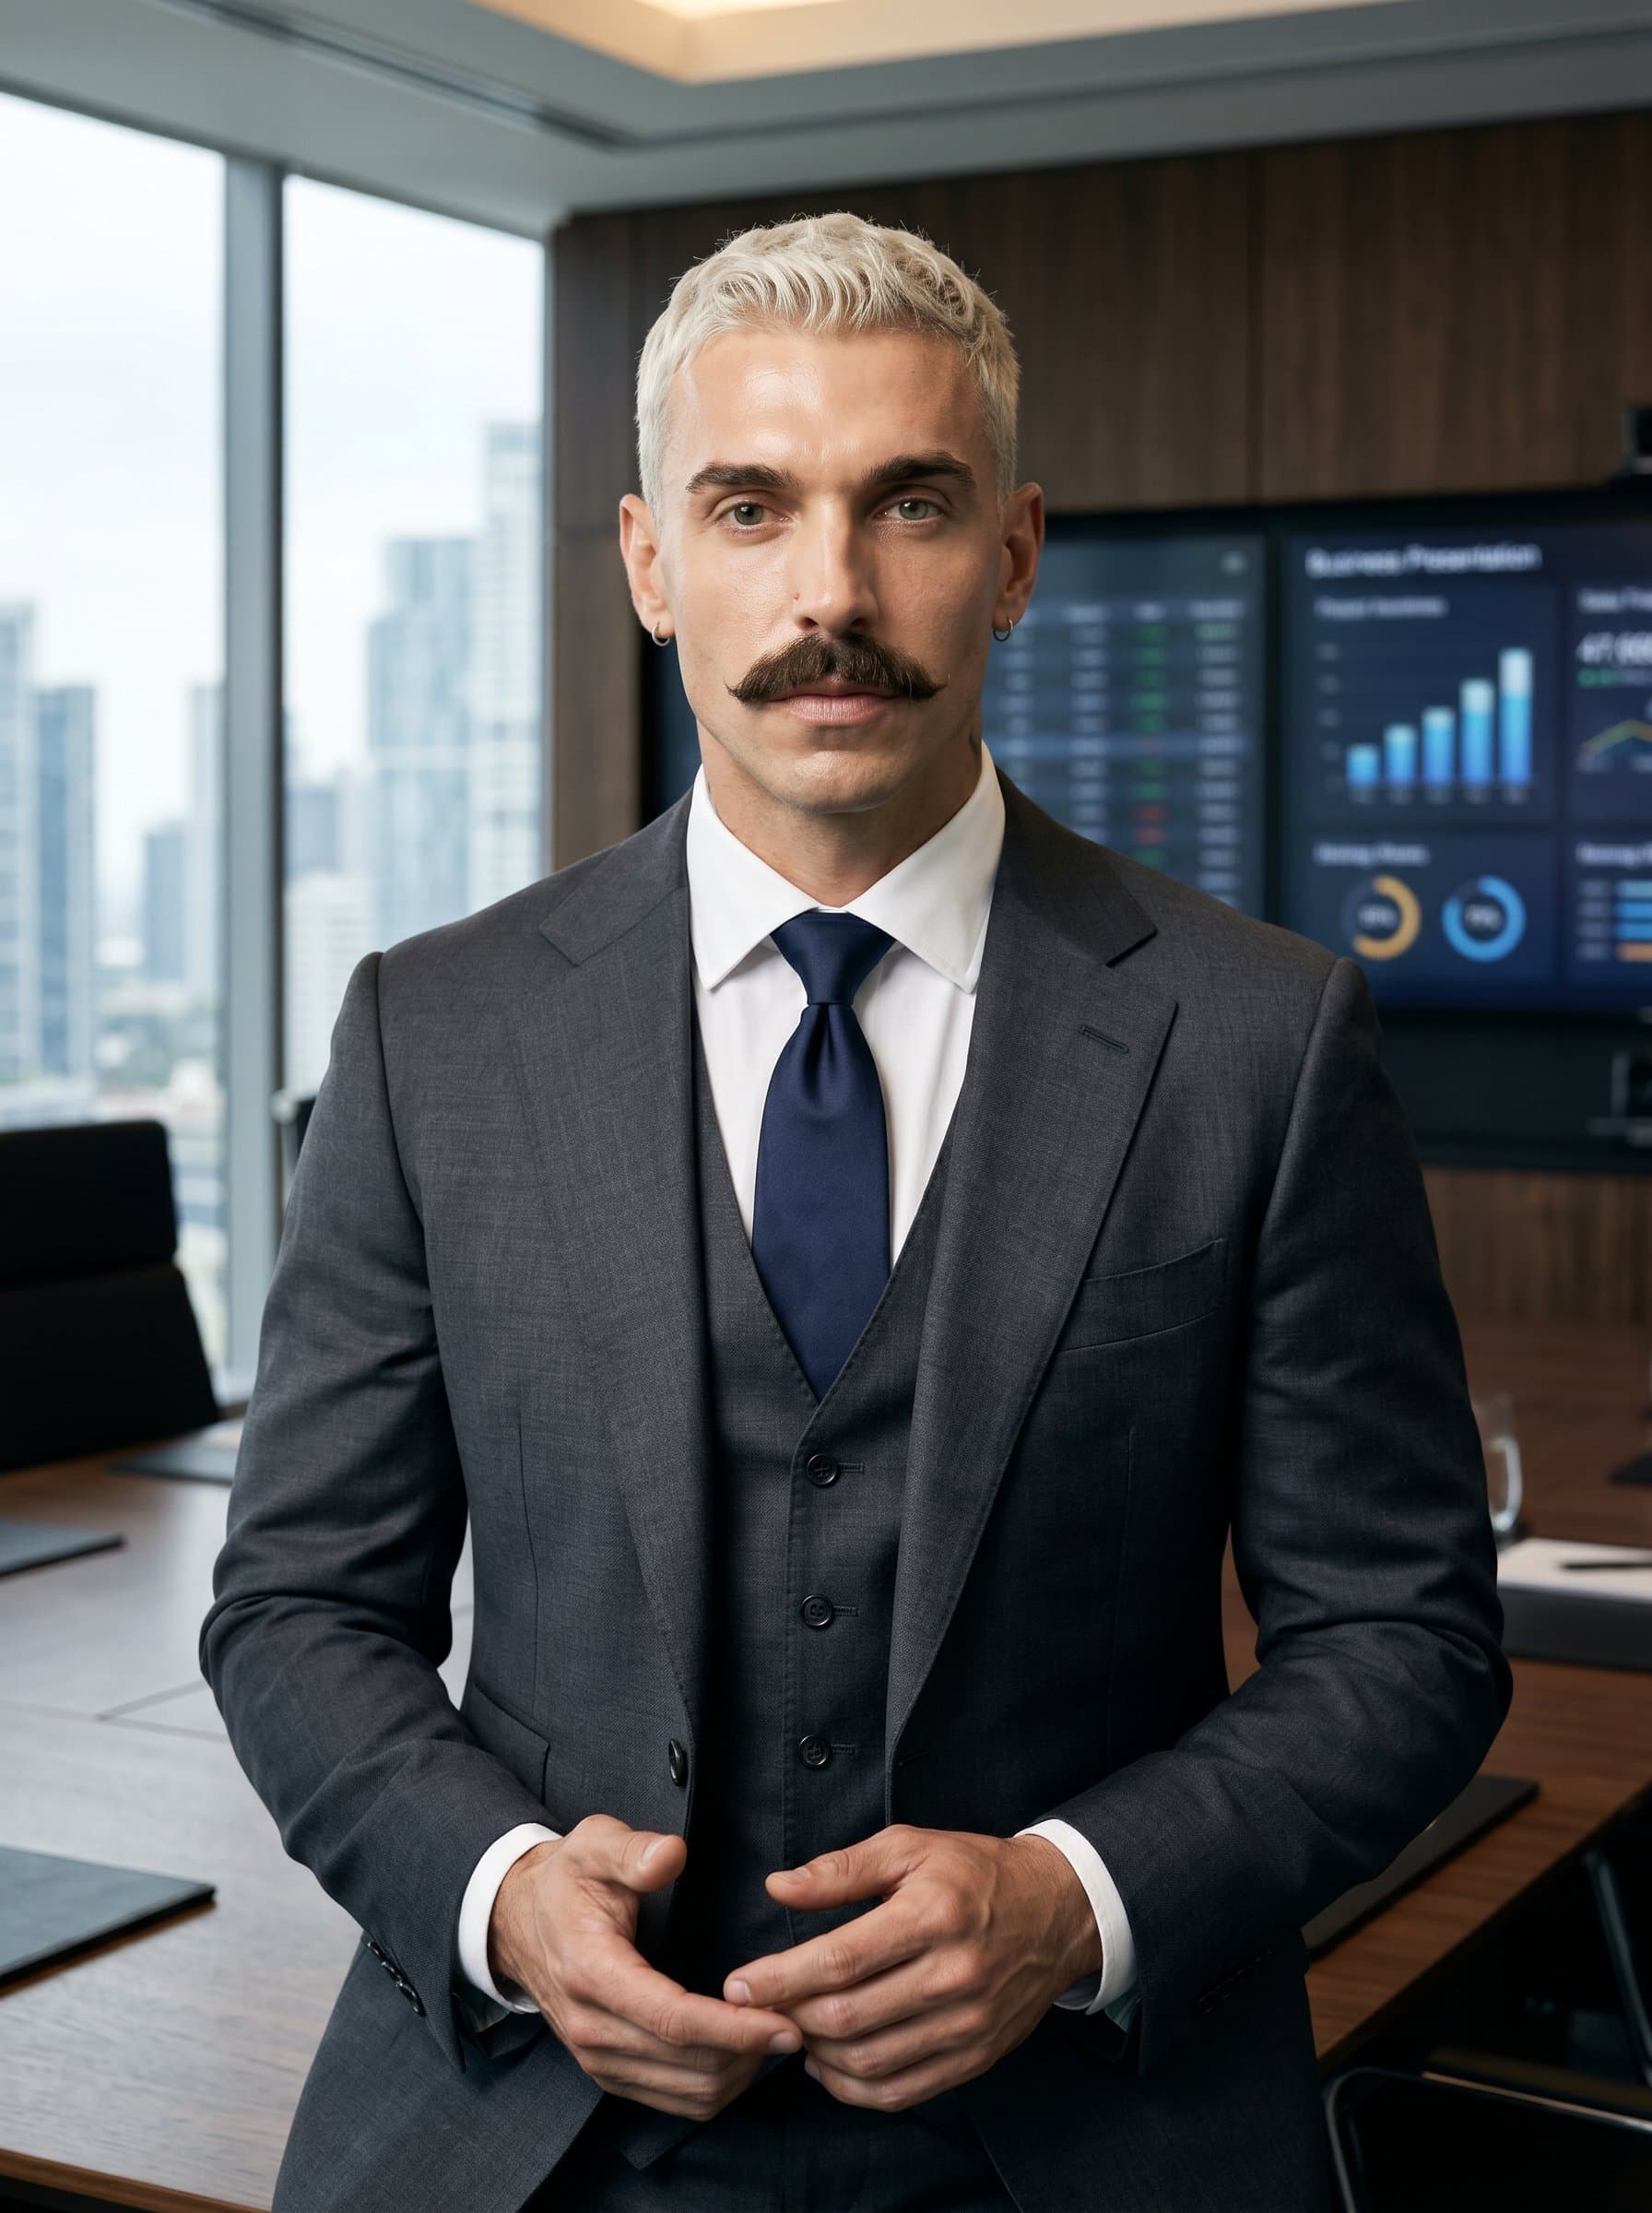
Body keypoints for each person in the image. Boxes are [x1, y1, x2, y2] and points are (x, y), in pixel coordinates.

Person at [200, 212, 1511, 2213]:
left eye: (906, 504)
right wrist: (496, 1899)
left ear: (1009, 555)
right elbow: (298, 1607)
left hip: (1076, 2141)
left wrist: (1075, 1902)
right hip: (529, 2135)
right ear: (650, 561)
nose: (830, 593)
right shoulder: (428, 1033)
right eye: (748, 508)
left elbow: (1399, 1642)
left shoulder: (1258, 1038)